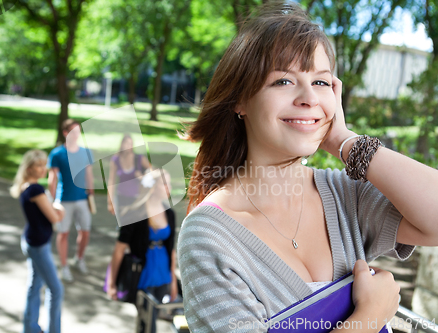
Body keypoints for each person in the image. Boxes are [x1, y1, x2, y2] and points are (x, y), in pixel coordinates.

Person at [177, 2, 438, 332]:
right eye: (284, 82)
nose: (309, 98)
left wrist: (345, 142)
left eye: (321, 82)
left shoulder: (344, 194)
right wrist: (369, 317)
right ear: (240, 101)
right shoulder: (209, 236)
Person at [106, 170, 178, 333]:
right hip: (141, 274)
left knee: (146, 323)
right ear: (152, 187)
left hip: (162, 273)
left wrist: (173, 281)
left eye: (169, 183)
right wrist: (111, 283)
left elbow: (171, 249)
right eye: (164, 183)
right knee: (148, 323)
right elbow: (119, 250)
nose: (169, 188)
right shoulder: (134, 213)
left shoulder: (170, 214)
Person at [10, 149, 65, 333]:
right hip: (38, 245)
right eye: (39, 165)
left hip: (32, 241)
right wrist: (59, 209)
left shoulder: (26, 186)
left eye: (45, 165)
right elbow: (55, 217)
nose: (44, 169)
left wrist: (54, 208)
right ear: (29, 168)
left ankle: (30, 328)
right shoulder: (35, 189)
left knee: (34, 286)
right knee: (56, 290)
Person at [48, 119, 94, 282]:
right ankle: (64, 266)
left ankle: (79, 258)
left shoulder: (86, 152)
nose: (77, 135)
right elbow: (52, 178)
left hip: (82, 199)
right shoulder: (57, 154)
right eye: (73, 132)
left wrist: (91, 192)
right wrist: (51, 201)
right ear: (65, 133)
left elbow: (89, 174)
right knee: (63, 233)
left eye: (78, 131)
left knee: (86, 231)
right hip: (64, 200)